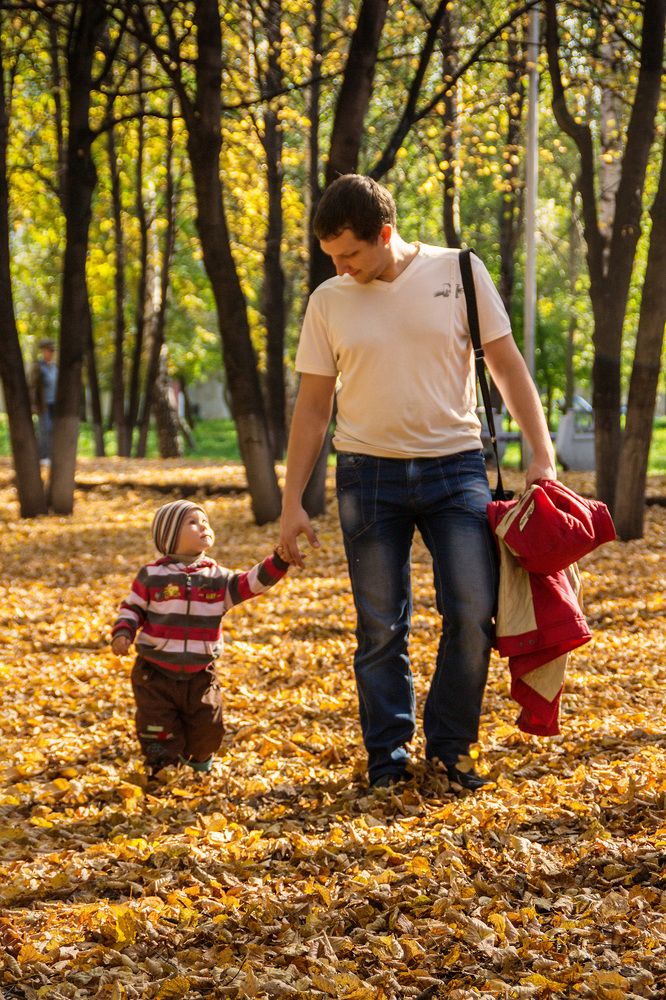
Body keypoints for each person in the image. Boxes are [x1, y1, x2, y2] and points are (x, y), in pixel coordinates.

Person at [279, 174, 557, 791]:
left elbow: (507, 365)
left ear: (384, 233)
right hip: (365, 474)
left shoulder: (459, 272)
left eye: (350, 253)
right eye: (332, 257)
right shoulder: (329, 299)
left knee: (473, 610)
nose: (342, 267)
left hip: (455, 467)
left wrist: (541, 451)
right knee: (380, 626)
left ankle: (452, 747)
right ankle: (389, 759)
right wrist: (291, 501)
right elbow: (313, 406)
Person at [111, 499, 290, 777]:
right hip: (155, 672)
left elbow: (251, 583)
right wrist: (124, 632)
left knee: (208, 727)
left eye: (204, 520)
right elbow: (132, 607)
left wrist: (278, 562)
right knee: (157, 727)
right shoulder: (152, 575)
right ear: (169, 537)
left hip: (199, 673)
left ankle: (197, 762)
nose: (203, 525)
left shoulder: (218, 579)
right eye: (192, 522)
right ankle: (162, 769)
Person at [29, 338, 58, 463]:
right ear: (43, 351)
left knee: (53, 429)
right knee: (45, 428)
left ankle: (50, 456)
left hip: (54, 404)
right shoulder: (38, 367)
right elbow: (32, 386)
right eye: (49, 350)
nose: (51, 353)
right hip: (43, 404)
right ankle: (43, 456)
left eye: (52, 351)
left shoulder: (54, 367)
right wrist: (33, 403)